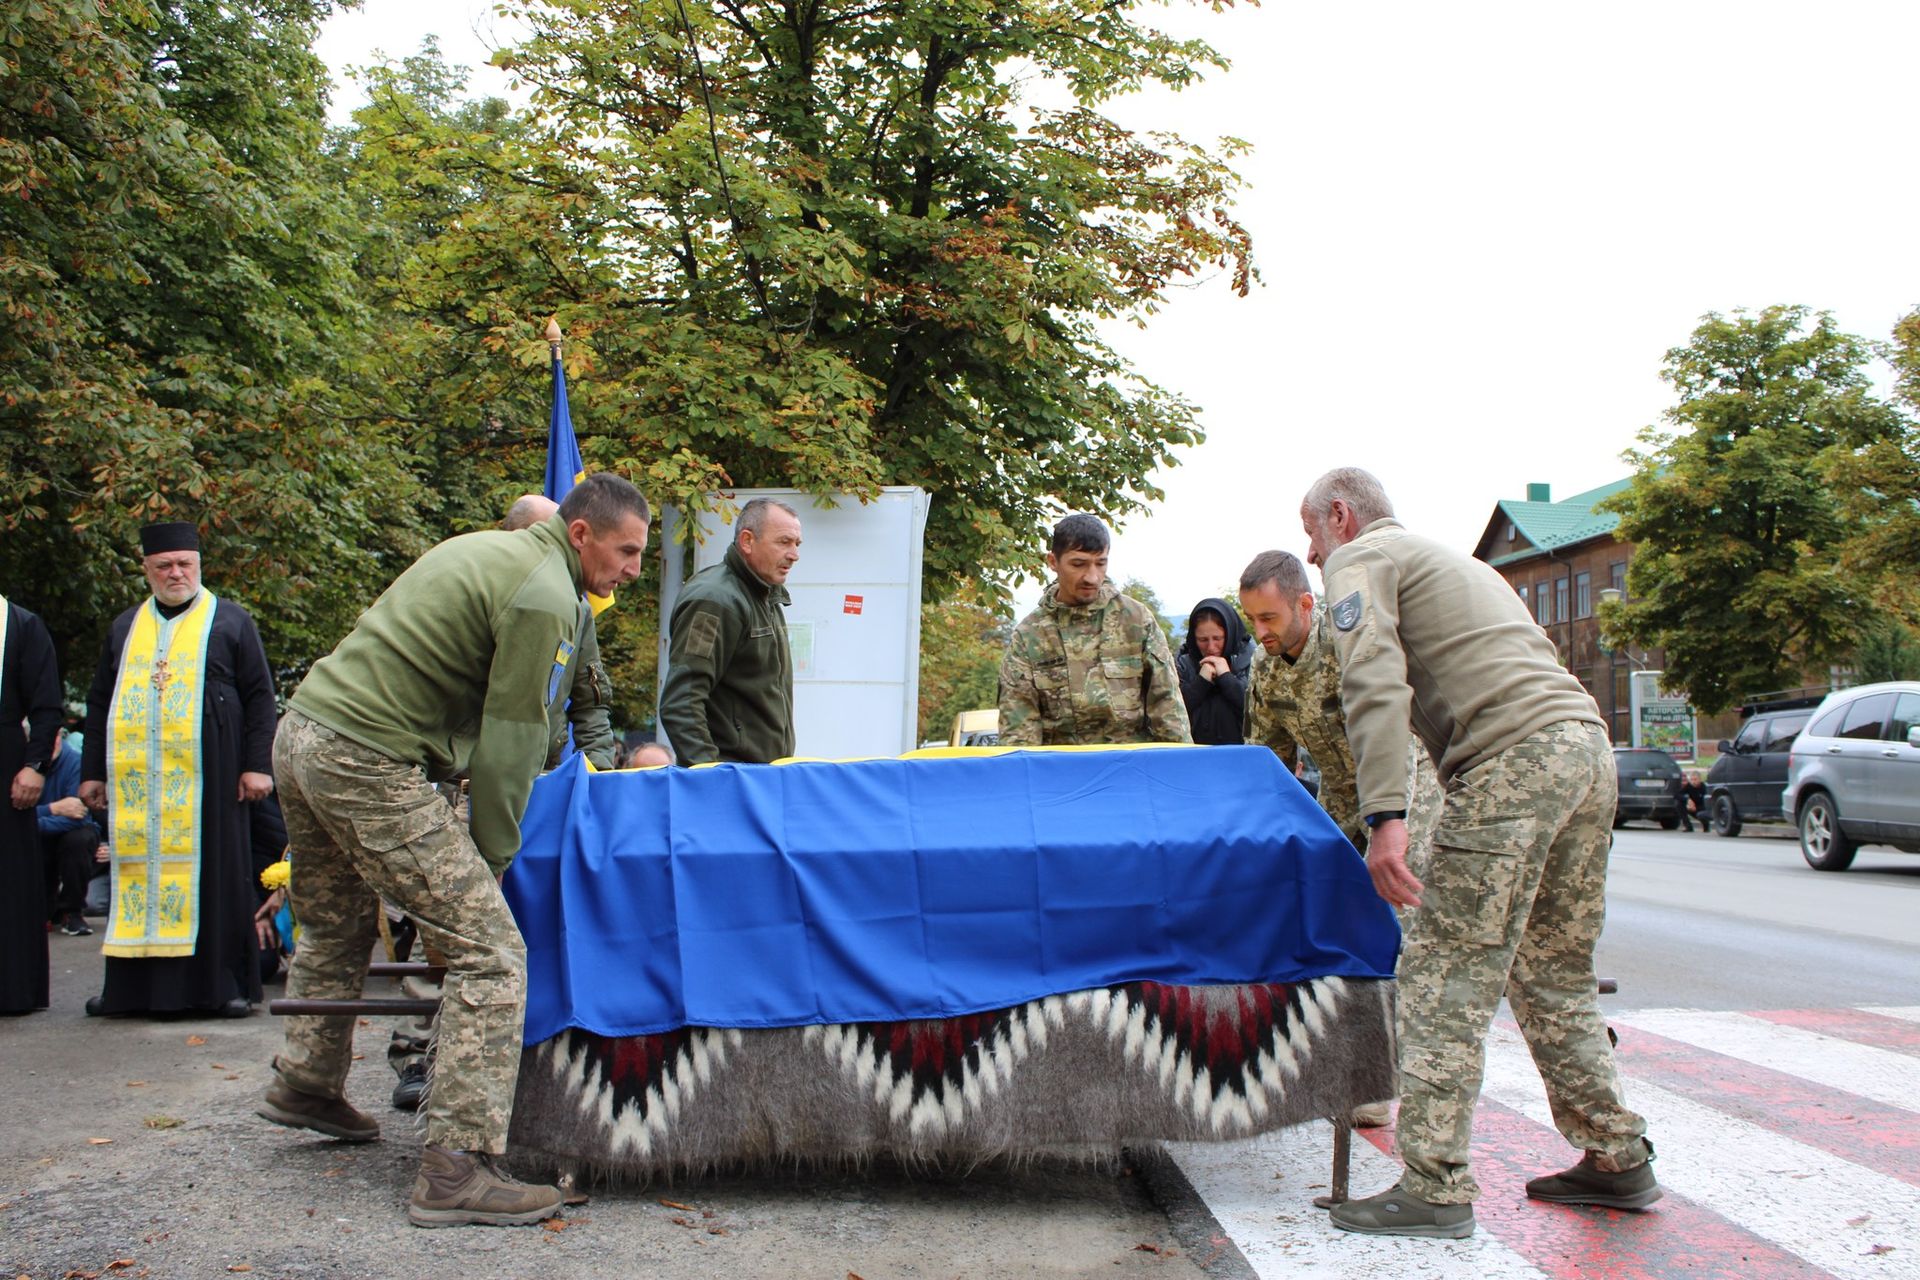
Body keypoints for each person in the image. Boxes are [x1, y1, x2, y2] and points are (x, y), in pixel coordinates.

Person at [259, 471, 649, 1229]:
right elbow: (511, 743)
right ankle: (455, 1169)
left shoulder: (486, 550)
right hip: (363, 758)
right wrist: (492, 864)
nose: (633, 569)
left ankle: (306, 1080)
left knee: (337, 924)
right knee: (490, 951)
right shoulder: (546, 595)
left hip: (304, 734)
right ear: (581, 535)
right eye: (627, 551)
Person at [1300, 467, 1657, 1239]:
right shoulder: (1461, 564)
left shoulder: (1362, 560)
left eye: (1310, 535)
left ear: (1340, 515)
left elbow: (1374, 682)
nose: (1311, 555)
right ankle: (1616, 1154)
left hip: (1511, 762)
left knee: (1440, 970)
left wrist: (1385, 816)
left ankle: (1433, 1183)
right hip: (1585, 751)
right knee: (1550, 971)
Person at [1238, 549, 1443, 1128]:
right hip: (1342, 797)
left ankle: (1389, 1079)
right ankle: (1341, 1060)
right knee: (1326, 914)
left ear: (1306, 604)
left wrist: (1388, 825)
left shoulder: (1349, 641)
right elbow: (1267, 762)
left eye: (1269, 618)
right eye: (1251, 619)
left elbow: (1397, 735)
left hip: (1405, 790)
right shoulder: (1268, 665)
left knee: (1391, 922)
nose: (1260, 632)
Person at [79, 522, 278, 1019]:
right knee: (136, 874)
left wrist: (258, 766)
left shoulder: (230, 621)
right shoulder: (127, 626)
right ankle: (129, 990)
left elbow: (260, 697)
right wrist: (92, 772)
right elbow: (100, 700)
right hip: (140, 786)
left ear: (198, 566)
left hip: (212, 777)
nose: (175, 573)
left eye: (184, 564)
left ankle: (218, 987)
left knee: (216, 875)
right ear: (146, 569)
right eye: (164, 565)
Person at [998, 515, 1191, 747]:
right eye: (1078, 564)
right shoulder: (1030, 636)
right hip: (1062, 776)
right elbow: (1018, 733)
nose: (1092, 577)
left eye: (1100, 563)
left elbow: (1169, 709)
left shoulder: (1136, 620)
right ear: (1053, 561)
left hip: (1130, 772)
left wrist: (1181, 773)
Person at [659, 497, 802, 764]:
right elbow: (682, 703)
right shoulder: (714, 600)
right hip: (732, 783)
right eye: (784, 542)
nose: (794, 554)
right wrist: (712, 779)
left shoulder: (766, 596)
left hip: (761, 779)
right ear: (747, 541)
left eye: (797, 544)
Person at [502, 495, 616, 770]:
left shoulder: (577, 610)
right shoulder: (485, 596)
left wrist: (597, 773)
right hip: (468, 782)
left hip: (544, 775)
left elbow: (591, 703)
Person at [2, 592, 62, 1015]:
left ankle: (12, 989)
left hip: (6, 760)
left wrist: (35, 765)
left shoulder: (22, 624)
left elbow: (46, 706)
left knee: (8, 874)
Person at [38, 727, 100, 937]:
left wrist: (33, 819)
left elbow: (77, 819)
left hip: (70, 837)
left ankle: (72, 911)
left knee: (79, 838)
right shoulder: (19, 763)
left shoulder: (75, 762)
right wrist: (52, 809)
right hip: (35, 838)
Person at [1175, 598, 1255, 744]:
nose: (1211, 647)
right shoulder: (1183, 664)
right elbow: (1173, 712)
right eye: (1203, 640)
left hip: (1242, 754)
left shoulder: (1252, 660)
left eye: (1218, 638)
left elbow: (1258, 712)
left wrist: (1226, 678)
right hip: (1195, 755)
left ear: (1229, 634)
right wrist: (1201, 682)